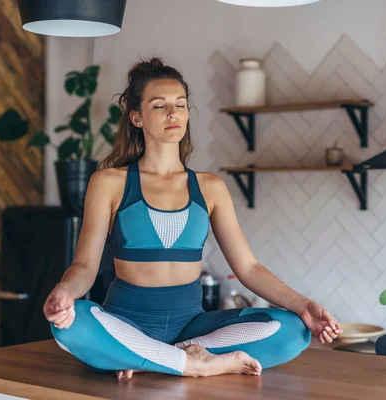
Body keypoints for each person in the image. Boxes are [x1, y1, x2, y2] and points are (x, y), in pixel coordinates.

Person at [43, 57, 343, 380]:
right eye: (159, 106)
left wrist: (304, 305)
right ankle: (193, 363)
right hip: (126, 322)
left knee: (294, 330)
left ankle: (151, 356)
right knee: (70, 324)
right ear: (136, 117)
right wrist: (65, 292)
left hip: (193, 328)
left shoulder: (210, 188)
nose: (173, 113)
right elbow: (85, 267)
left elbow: (249, 269)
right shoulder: (109, 183)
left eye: (180, 104)